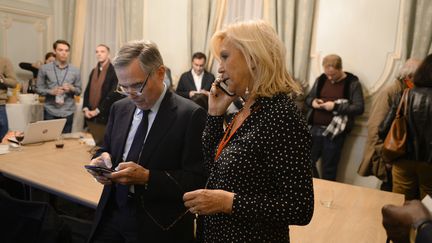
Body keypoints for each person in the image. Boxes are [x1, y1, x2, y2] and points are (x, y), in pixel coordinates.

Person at [183, 20, 314, 242]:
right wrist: (214, 115)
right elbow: (212, 169)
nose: (219, 69)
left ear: (253, 57)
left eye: (225, 57)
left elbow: (300, 208)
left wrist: (229, 203)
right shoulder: (245, 110)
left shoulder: (282, 116)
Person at [86, 40, 207, 243]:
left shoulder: (191, 115)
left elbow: (197, 180)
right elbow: (105, 148)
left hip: (158, 223)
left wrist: (147, 177)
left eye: (137, 85)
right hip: (112, 212)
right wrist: (101, 159)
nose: (131, 94)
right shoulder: (120, 108)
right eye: (123, 87)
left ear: (160, 73)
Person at [358, 59, 421, 191]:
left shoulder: (408, 92)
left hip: (399, 158)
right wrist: (385, 159)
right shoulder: (391, 92)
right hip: (389, 158)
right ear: (408, 77)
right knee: (389, 196)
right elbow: (375, 127)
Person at [379, 54, 432, 200]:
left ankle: (401, 224)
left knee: (401, 202)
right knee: (428, 207)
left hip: (403, 159)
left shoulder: (405, 95)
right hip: (430, 163)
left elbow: (383, 129)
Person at [305, 54, 365, 181]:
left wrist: (335, 107)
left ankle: (327, 197)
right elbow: (308, 98)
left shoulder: (352, 83)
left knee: (329, 169)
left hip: (335, 133)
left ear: (340, 69)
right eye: (327, 74)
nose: (330, 78)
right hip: (314, 129)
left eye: (333, 75)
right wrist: (313, 103)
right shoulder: (321, 79)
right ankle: (315, 190)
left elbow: (359, 108)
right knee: (305, 163)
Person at [36, 40, 81, 133]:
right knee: (48, 141)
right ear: (54, 51)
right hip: (50, 110)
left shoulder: (75, 70)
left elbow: (79, 90)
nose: (64, 53)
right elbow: (38, 89)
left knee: (66, 142)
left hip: (68, 111)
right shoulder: (44, 68)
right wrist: (51, 92)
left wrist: (71, 88)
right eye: (60, 50)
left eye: (66, 50)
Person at [83, 44, 124, 126]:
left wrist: (97, 110)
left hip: (104, 114)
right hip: (90, 113)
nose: (99, 54)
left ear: (108, 54)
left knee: (102, 138)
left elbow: (113, 93)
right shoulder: (93, 71)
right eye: (97, 52)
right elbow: (87, 91)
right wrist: (86, 109)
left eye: (102, 51)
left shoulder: (114, 71)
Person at [0, 57, 18, 140]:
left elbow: (14, 82)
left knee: (3, 138)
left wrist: (3, 80)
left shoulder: (4, 61)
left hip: (0, 105)